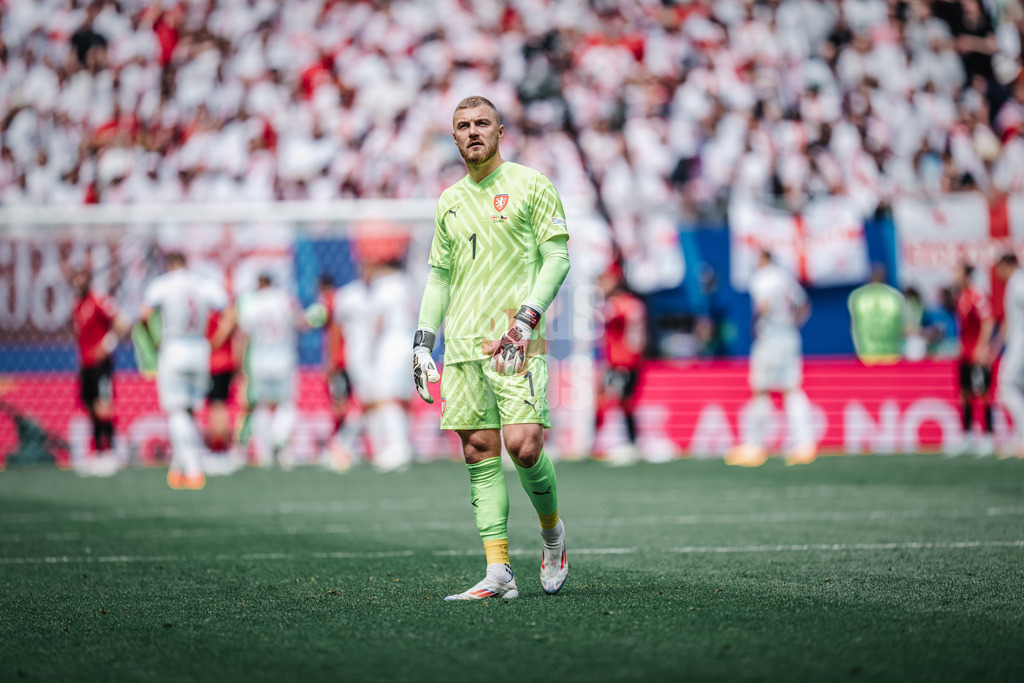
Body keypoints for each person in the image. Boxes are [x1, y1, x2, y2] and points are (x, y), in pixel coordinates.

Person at [412, 96, 571, 600]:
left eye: (483, 123)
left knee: (524, 446)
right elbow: (439, 277)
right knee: (479, 451)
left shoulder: (531, 184)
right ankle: (498, 571)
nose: (473, 131)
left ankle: (553, 537)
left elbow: (558, 257)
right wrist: (422, 341)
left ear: (501, 131)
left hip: (515, 338)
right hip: (460, 345)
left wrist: (528, 319)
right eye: (463, 125)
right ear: (454, 137)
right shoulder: (449, 201)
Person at [138, 252, 230, 490]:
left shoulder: (163, 284)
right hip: (199, 347)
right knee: (188, 411)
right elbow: (230, 313)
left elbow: (144, 315)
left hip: (174, 346)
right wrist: (215, 341)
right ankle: (177, 470)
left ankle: (193, 469)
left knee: (177, 410)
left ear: (169, 265)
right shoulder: (202, 283)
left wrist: (154, 341)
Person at [726, 249, 816, 467]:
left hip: (771, 338)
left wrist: (755, 325)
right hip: (789, 337)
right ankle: (805, 445)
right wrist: (792, 324)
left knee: (760, 390)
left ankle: (754, 446)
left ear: (762, 260)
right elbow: (804, 305)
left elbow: (763, 305)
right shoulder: (785, 276)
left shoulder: (763, 278)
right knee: (792, 389)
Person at [334, 239, 417, 473]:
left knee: (385, 396)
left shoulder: (385, 287)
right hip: (409, 340)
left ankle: (398, 447)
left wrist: (369, 347)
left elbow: (379, 321)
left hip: (391, 343)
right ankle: (396, 445)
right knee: (397, 396)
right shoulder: (407, 283)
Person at [236, 273, 306, 468]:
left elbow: (242, 336)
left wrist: (239, 364)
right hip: (284, 359)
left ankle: (264, 453)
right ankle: (280, 438)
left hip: (260, 361)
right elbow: (302, 323)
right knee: (287, 404)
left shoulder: (252, 304)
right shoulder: (285, 300)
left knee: (262, 406)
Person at [71, 269, 129, 473]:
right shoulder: (78, 304)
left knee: (103, 406)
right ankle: (97, 452)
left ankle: (110, 452)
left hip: (100, 364)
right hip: (85, 365)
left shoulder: (98, 300)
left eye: (81, 278)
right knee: (90, 406)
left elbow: (121, 321)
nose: (78, 283)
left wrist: (107, 345)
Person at [594, 261, 647, 466]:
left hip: (620, 361)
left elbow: (598, 317)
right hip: (633, 360)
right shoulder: (635, 304)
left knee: (610, 400)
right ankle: (630, 443)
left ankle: (617, 443)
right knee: (625, 403)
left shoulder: (617, 304)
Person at [951, 262, 995, 456]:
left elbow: (988, 320)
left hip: (977, 355)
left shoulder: (977, 295)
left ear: (966, 274)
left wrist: (981, 346)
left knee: (983, 394)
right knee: (965, 394)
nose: (954, 275)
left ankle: (988, 437)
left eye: (957, 272)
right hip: (964, 355)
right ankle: (967, 436)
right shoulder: (961, 297)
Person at [316, 274, 354, 472]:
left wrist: (330, 360)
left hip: (339, 361)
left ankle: (341, 446)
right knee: (342, 402)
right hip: (348, 359)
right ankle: (342, 444)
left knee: (340, 405)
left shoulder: (329, 302)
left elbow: (331, 329)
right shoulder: (343, 299)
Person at [203, 308, 240, 473]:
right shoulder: (217, 313)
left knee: (217, 408)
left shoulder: (214, 313)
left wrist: (209, 345)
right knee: (219, 407)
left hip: (216, 365)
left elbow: (231, 323)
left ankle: (219, 451)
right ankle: (221, 450)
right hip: (223, 363)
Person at [995, 253, 1024, 458]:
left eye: (999, 267)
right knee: (1016, 388)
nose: (997, 272)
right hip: (1016, 343)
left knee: (1006, 386)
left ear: (1008, 265)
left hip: (1020, 345)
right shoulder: (1014, 284)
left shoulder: (1018, 283)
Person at [848, 264, 906, 365]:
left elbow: (853, 325)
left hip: (867, 356)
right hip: (891, 356)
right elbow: (903, 326)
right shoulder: (896, 296)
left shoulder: (857, 296)